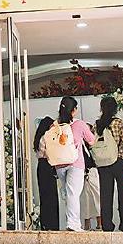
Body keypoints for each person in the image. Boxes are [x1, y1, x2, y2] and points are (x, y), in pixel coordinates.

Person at [52, 96, 95, 231]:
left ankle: (70, 220)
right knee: (73, 194)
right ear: (74, 110)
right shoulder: (80, 124)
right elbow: (92, 140)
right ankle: (73, 224)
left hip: (59, 164)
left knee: (68, 193)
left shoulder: (54, 125)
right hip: (75, 163)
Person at [94, 95, 123, 232]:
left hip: (103, 164)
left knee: (105, 195)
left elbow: (92, 143)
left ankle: (107, 225)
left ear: (102, 108)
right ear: (115, 109)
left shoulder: (97, 125)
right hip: (119, 161)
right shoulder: (118, 123)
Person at [33, 116, 59, 230]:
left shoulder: (39, 138)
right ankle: (52, 224)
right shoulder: (46, 137)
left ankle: (45, 223)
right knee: (51, 196)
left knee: (44, 196)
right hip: (48, 165)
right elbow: (50, 153)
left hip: (41, 166)